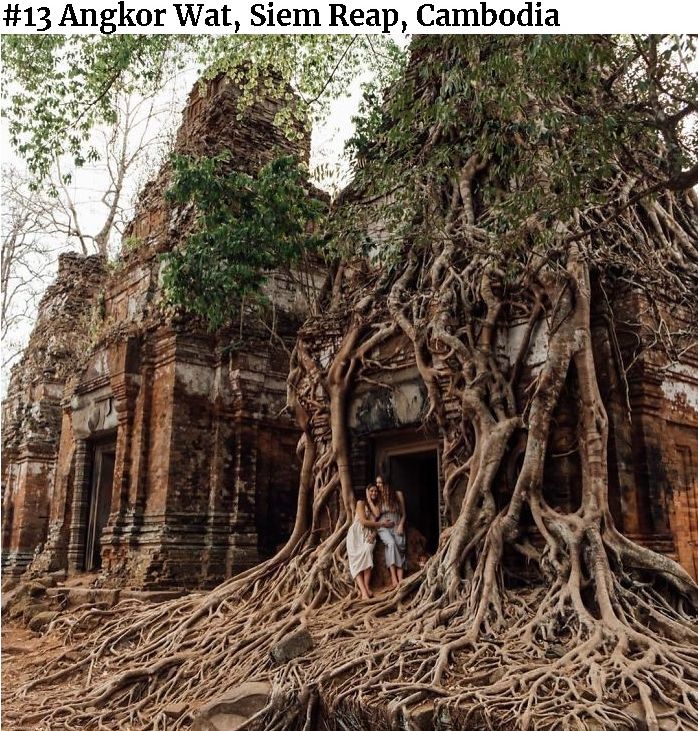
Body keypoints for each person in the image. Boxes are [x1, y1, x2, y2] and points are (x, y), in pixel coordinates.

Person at [346, 484, 394, 600]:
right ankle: (364, 592)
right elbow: (363, 521)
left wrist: (374, 534)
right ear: (367, 491)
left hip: (369, 534)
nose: (374, 493)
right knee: (355, 562)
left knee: (368, 552)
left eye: (376, 492)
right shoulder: (360, 503)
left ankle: (366, 587)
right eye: (371, 491)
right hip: (356, 535)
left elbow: (376, 516)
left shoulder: (376, 506)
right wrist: (382, 524)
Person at [367, 475, 407, 588]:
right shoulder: (378, 497)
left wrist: (401, 525)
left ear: (386, 483)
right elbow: (377, 514)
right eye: (377, 483)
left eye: (380, 483)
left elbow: (404, 514)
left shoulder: (398, 494)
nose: (378, 485)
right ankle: (394, 577)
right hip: (383, 526)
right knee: (391, 544)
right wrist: (369, 498)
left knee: (400, 545)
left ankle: (400, 578)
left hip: (397, 524)